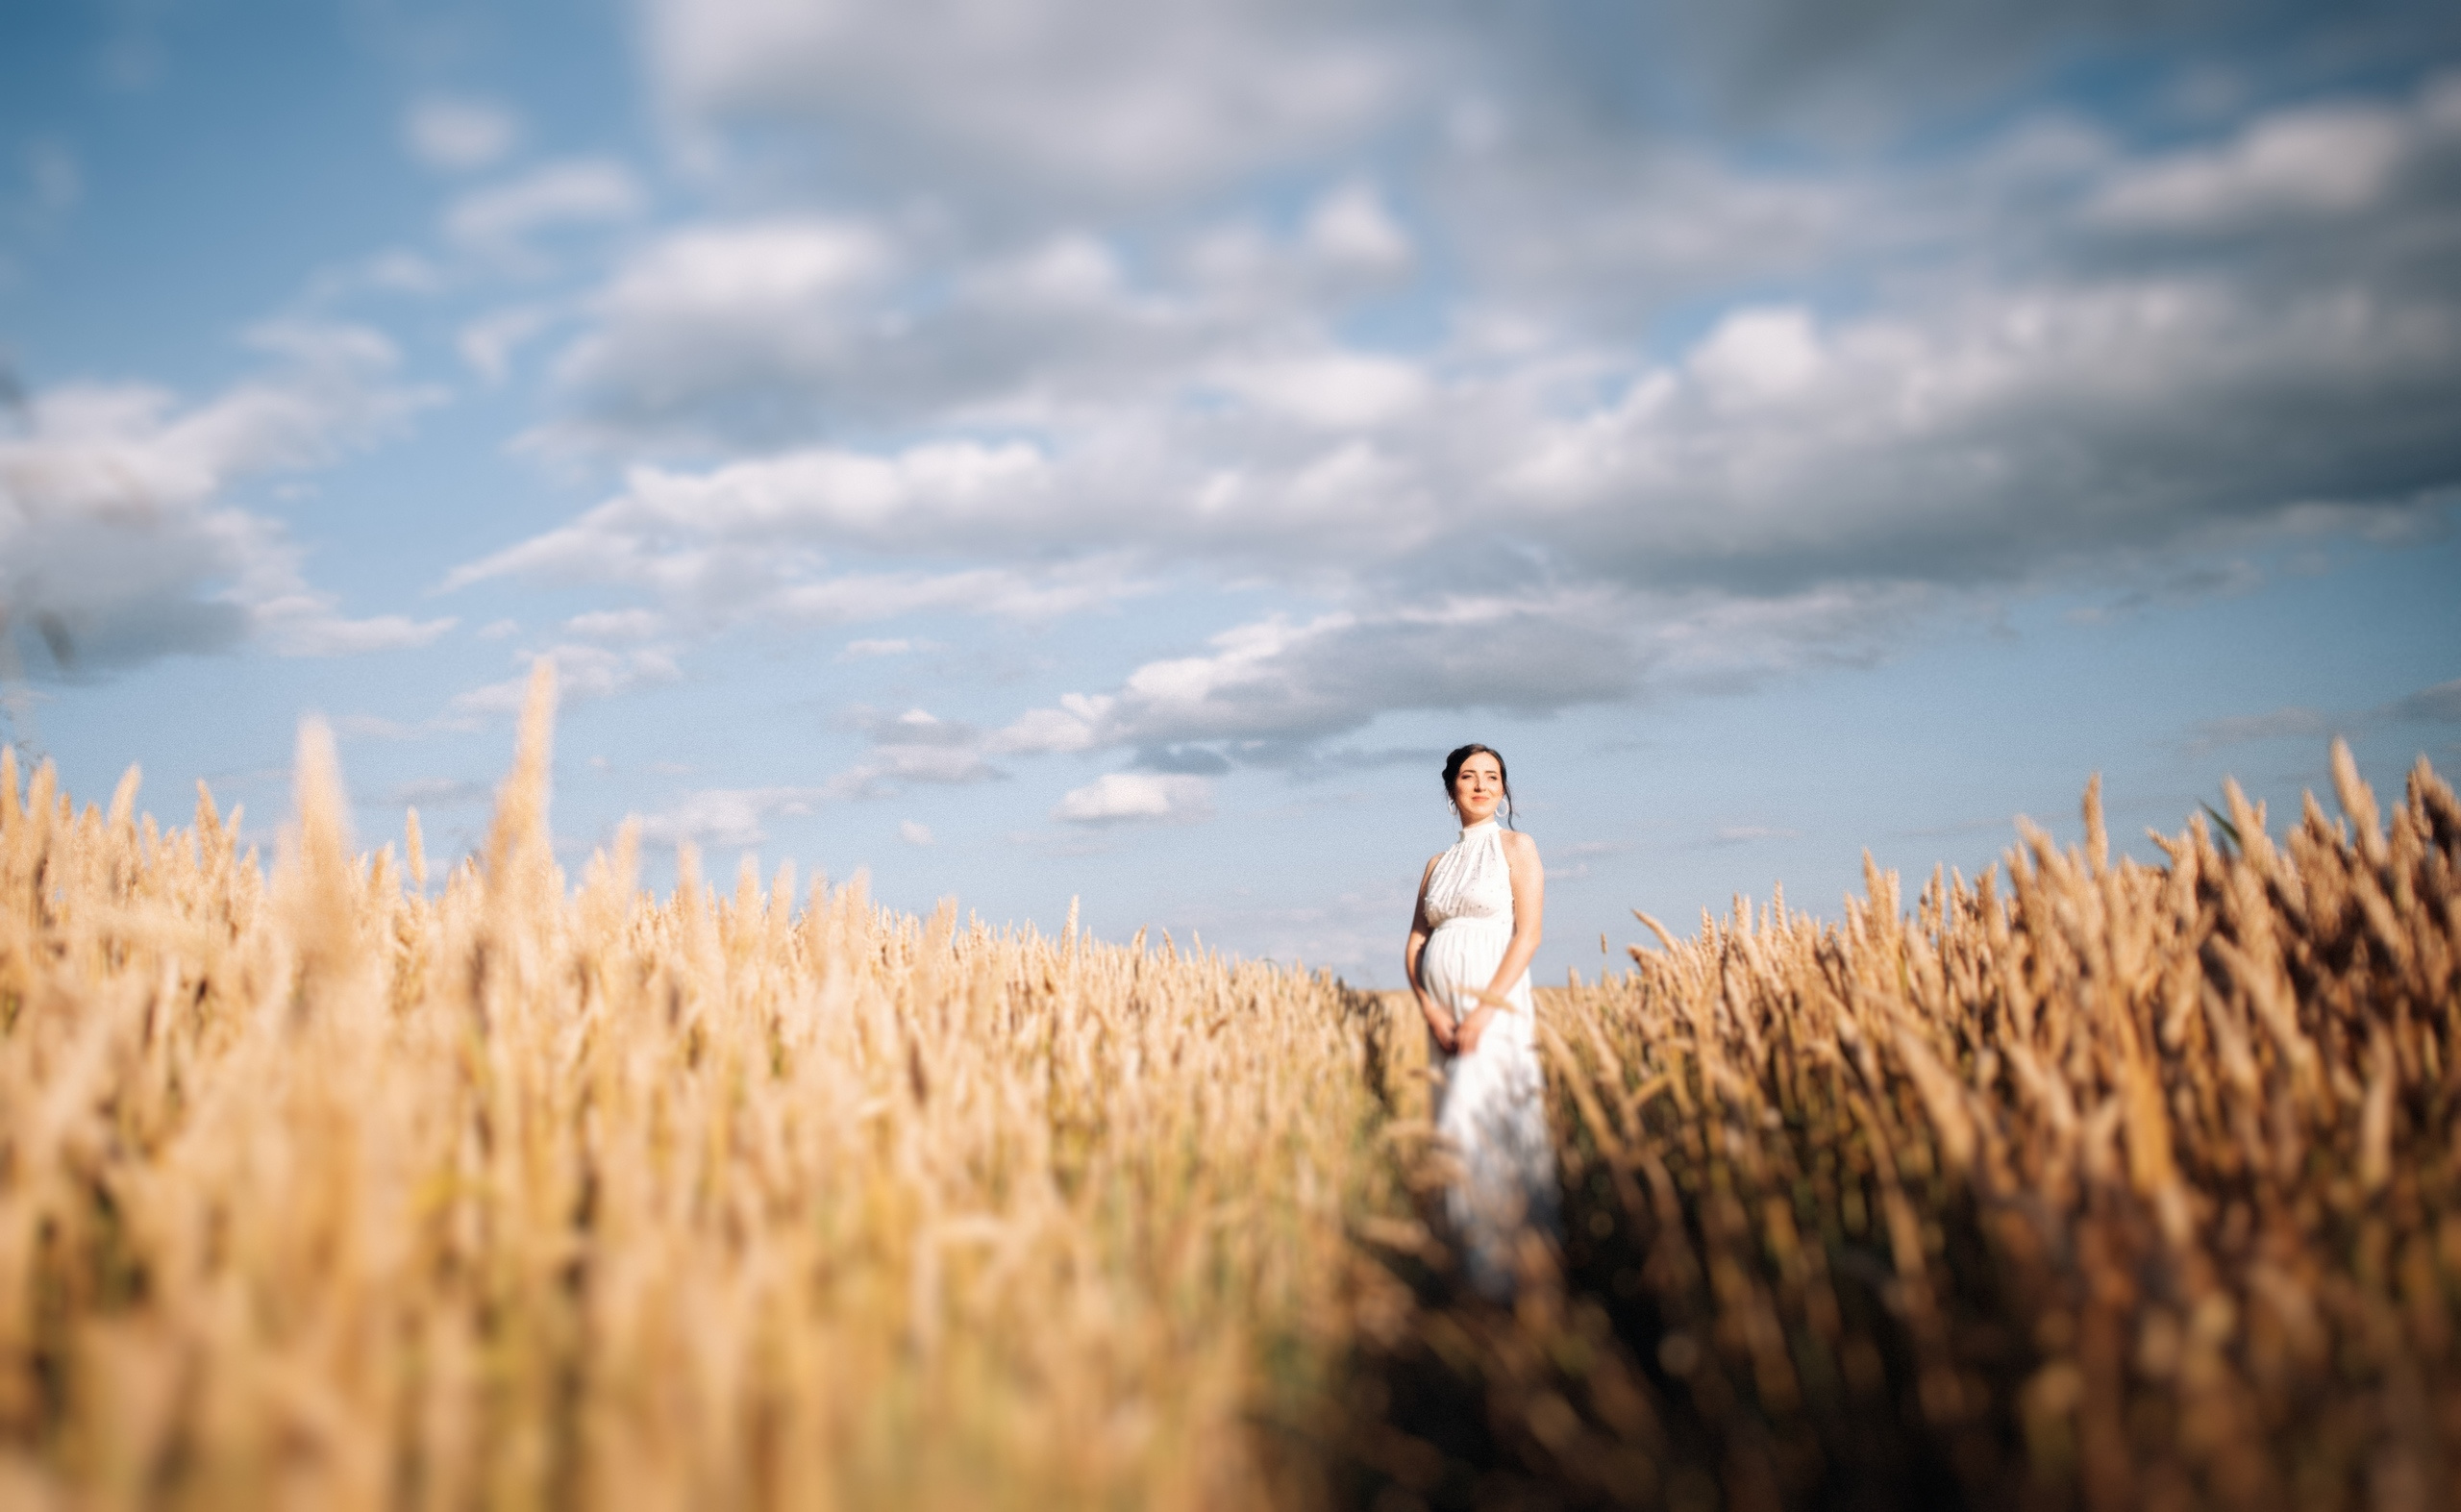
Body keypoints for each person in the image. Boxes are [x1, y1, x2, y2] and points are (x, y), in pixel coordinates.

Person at [1405, 742, 1560, 1300]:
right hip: (1443, 1013)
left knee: (1480, 1123)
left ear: (1503, 788)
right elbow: (1417, 940)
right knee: (1451, 1120)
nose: (1480, 785)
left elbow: (1529, 934)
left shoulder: (1519, 847)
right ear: (1451, 790)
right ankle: (1459, 1269)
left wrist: (1483, 1012)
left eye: (1492, 776)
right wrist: (1429, 1004)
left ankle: (1501, 1271)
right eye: (1468, 777)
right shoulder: (1436, 865)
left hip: (1494, 1005)